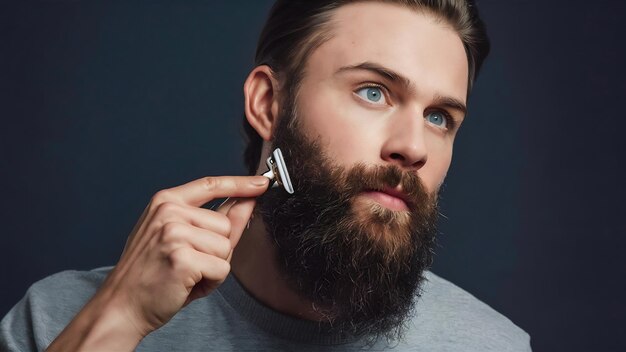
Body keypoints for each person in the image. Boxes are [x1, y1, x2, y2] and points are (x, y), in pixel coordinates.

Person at [1, 0, 532, 351]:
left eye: (439, 118)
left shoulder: (492, 346)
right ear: (268, 103)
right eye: (373, 91)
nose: (413, 147)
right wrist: (117, 321)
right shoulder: (59, 320)